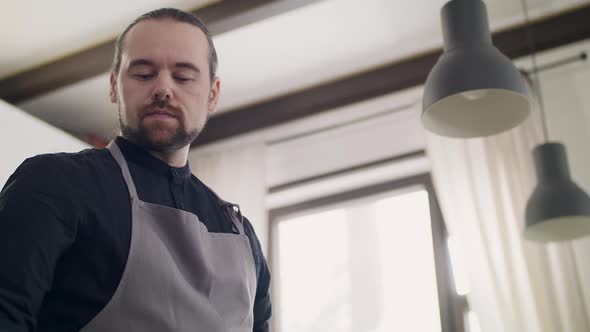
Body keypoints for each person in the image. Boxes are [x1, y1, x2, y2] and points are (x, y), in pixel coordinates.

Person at [0, 8, 271, 332]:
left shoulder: (244, 238)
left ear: (213, 94)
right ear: (114, 86)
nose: (163, 89)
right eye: (143, 73)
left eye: (183, 76)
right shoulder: (54, 185)